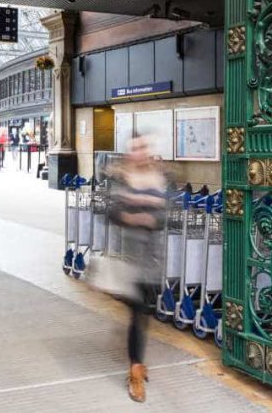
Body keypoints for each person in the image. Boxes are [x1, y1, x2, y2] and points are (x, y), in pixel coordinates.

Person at [106, 136, 167, 403]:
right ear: (130, 153)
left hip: (153, 260)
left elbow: (166, 217)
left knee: (146, 314)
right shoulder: (123, 179)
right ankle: (135, 372)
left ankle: (137, 361)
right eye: (135, 148)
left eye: (144, 147)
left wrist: (151, 218)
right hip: (131, 260)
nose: (140, 152)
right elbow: (110, 211)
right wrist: (132, 217)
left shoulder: (161, 179)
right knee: (137, 314)